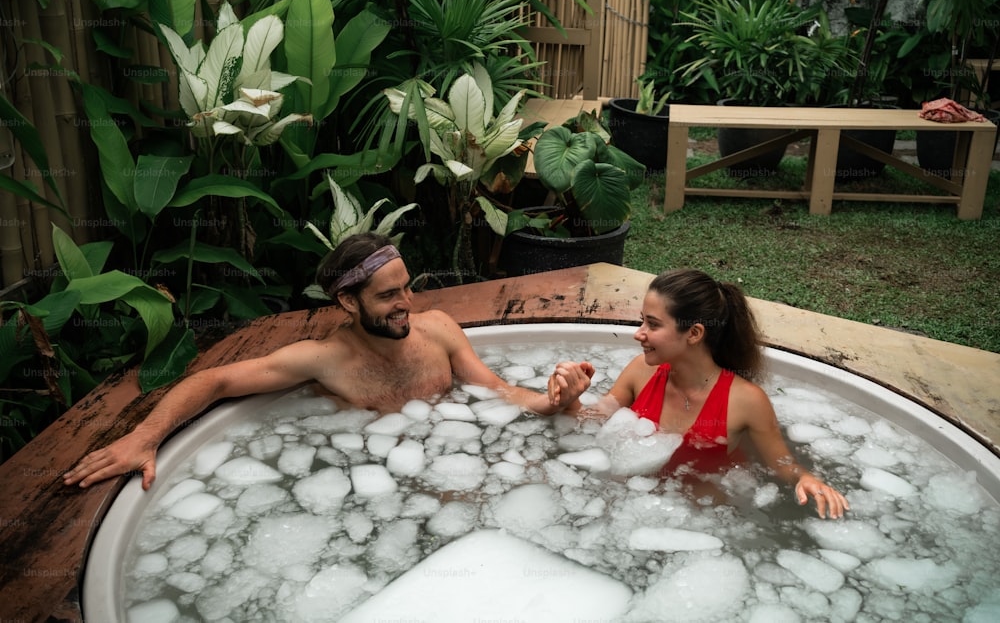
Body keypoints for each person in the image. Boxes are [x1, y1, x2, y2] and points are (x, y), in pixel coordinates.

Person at [64, 233, 592, 491]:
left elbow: (498, 393)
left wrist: (554, 401)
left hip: (461, 451)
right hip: (369, 478)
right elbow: (217, 379)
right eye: (388, 296)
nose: (406, 304)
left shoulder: (439, 331)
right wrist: (145, 436)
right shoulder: (322, 360)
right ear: (347, 301)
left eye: (407, 288)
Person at [550, 268, 850, 520]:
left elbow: (781, 464)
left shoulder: (746, 400)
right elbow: (594, 421)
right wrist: (570, 399)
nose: (638, 333)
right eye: (643, 321)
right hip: (632, 504)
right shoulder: (642, 371)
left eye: (652, 324)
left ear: (693, 333)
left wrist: (806, 479)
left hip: (700, 516)